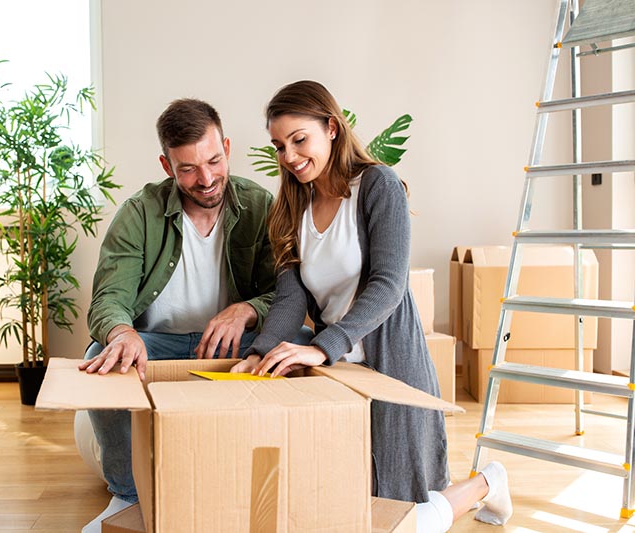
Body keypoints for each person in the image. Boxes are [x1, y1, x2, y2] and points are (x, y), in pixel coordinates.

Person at [230, 80, 512, 532]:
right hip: (339, 372)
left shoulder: (377, 186)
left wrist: (323, 345)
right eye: (279, 146)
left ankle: (487, 482)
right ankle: (482, 484)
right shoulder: (289, 206)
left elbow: (389, 284)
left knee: (402, 516)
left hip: (389, 364)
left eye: (299, 140)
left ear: (332, 128)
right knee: (351, 500)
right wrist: (260, 353)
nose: (289, 157)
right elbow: (291, 296)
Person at [77, 98, 277, 532]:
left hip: (230, 348)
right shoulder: (139, 213)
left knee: (295, 338)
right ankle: (127, 495)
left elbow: (283, 293)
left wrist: (246, 309)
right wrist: (121, 332)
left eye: (213, 160)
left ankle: (266, 470)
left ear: (226, 147)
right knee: (100, 353)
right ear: (167, 166)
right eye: (187, 168)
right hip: (157, 350)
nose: (205, 179)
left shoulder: (260, 206)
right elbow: (108, 298)